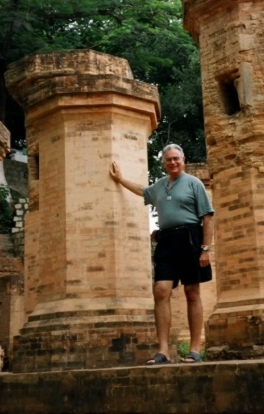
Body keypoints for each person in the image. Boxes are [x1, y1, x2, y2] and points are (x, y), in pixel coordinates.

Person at [109, 143, 214, 365]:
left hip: (191, 238)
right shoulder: (159, 186)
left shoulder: (194, 184)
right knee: (160, 290)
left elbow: (207, 217)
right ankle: (163, 351)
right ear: (164, 163)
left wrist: (205, 249)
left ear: (183, 159)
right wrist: (120, 180)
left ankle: (195, 350)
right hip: (166, 241)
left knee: (192, 292)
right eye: (168, 160)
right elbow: (142, 191)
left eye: (176, 158)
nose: (173, 163)